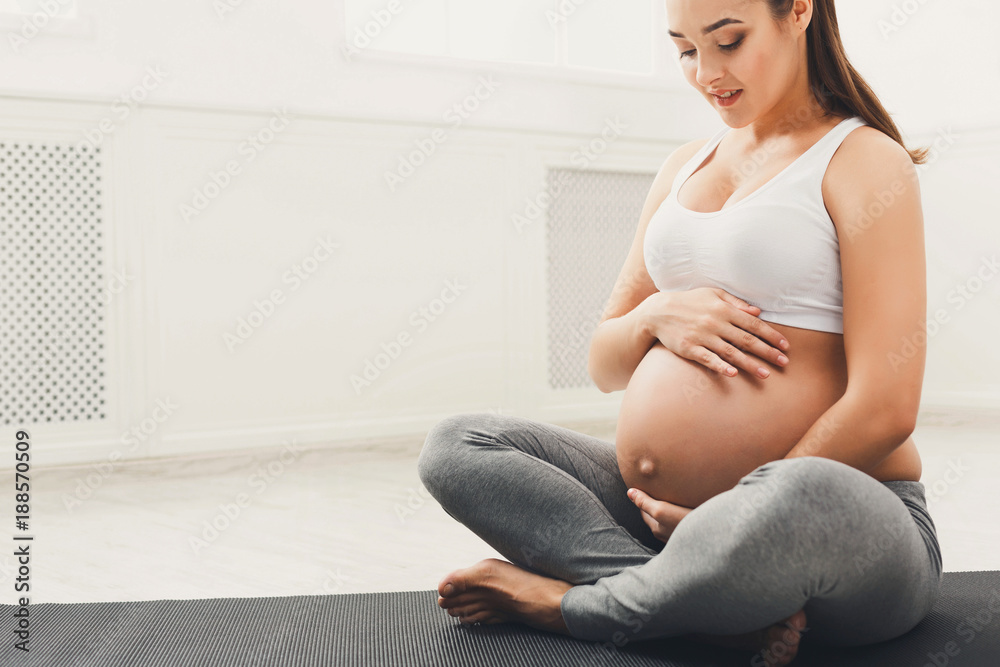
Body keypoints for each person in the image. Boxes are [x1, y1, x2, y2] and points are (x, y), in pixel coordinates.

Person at [416, 1, 942, 664]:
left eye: (729, 41)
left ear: (799, 11)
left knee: (798, 493)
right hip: (659, 516)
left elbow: (886, 406)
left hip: (829, 525)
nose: (706, 73)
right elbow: (605, 365)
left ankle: (571, 606)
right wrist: (654, 316)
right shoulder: (683, 168)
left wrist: (734, 518)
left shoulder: (863, 160)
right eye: (686, 50)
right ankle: (694, 604)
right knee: (458, 445)